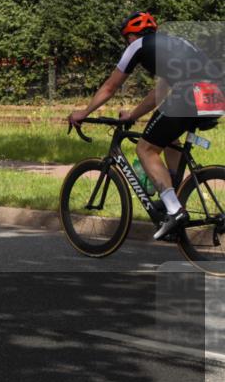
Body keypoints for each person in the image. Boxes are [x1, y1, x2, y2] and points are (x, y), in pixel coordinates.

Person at [68, 12, 224, 240]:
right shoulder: (173, 44)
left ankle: (175, 210)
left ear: (131, 36)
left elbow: (110, 87)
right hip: (215, 95)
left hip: (190, 93)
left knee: (145, 149)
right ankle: (173, 195)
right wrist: (132, 114)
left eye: (126, 39)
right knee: (169, 139)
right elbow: (159, 93)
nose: (127, 43)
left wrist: (84, 112)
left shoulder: (137, 45)